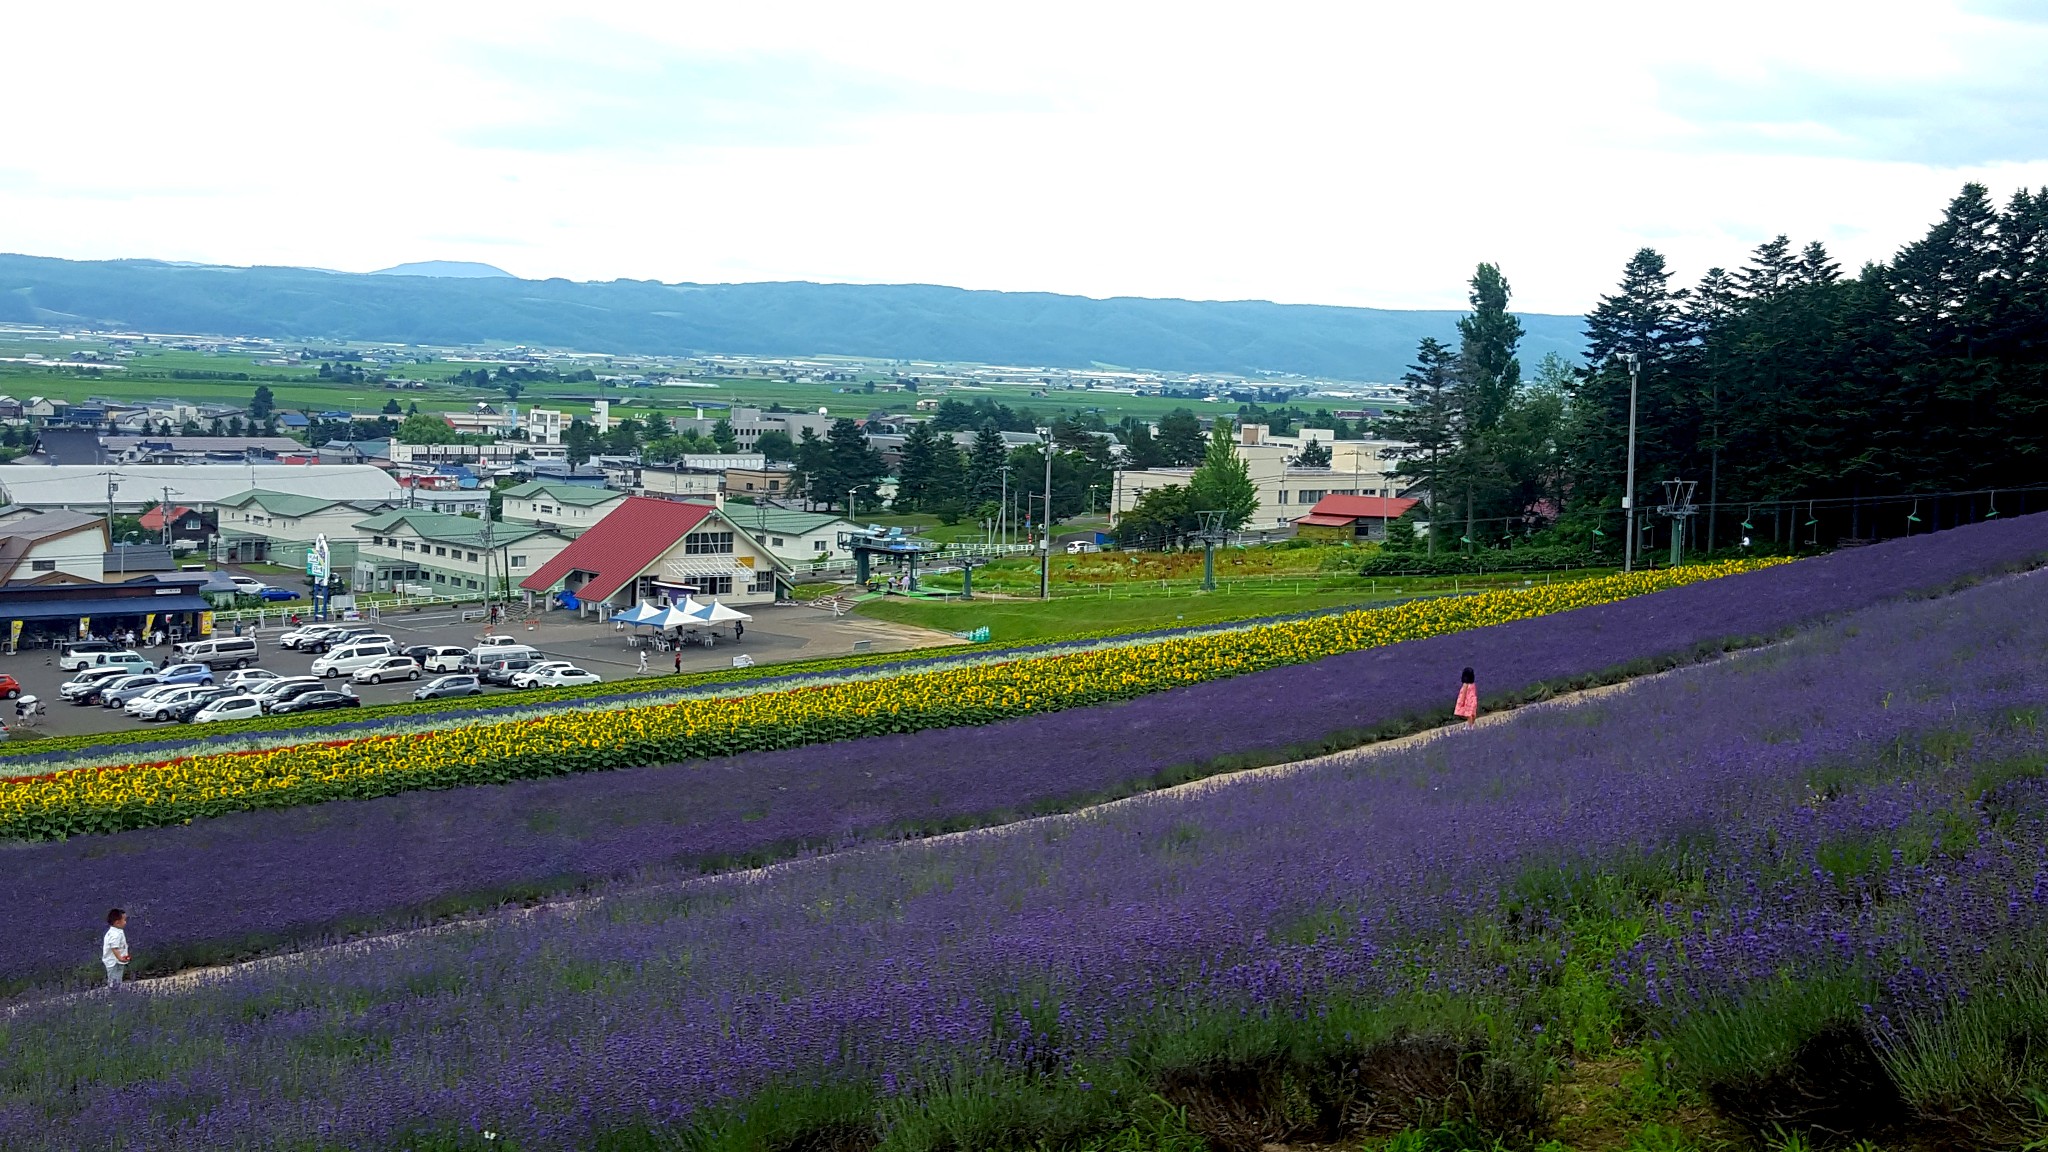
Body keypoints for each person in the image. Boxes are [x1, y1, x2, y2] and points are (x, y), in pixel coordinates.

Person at [103, 908, 130, 988]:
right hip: (114, 962)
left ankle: (116, 993)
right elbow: (114, 947)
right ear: (117, 922)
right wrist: (120, 958)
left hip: (116, 961)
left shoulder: (117, 931)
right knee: (114, 980)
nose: (125, 922)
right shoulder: (115, 934)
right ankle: (114, 994)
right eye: (124, 920)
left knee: (117, 979)